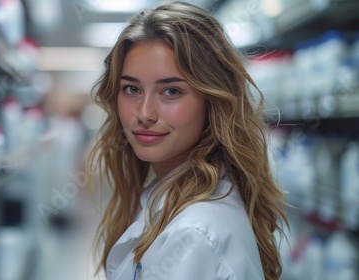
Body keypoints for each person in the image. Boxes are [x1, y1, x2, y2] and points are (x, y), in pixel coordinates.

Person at [86, 2, 288, 280]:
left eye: (171, 91)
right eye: (131, 89)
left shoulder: (193, 236)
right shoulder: (176, 199)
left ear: (213, 101)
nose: (144, 113)